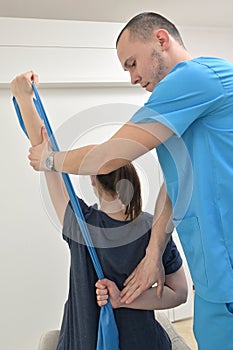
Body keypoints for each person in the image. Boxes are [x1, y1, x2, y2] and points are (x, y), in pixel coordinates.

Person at [10, 11, 233, 349]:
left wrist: (49, 155)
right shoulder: (145, 227)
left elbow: (108, 155)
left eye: (131, 63)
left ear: (161, 40)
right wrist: (153, 252)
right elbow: (177, 185)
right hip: (213, 284)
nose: (132, 78)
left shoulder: (195, 79)